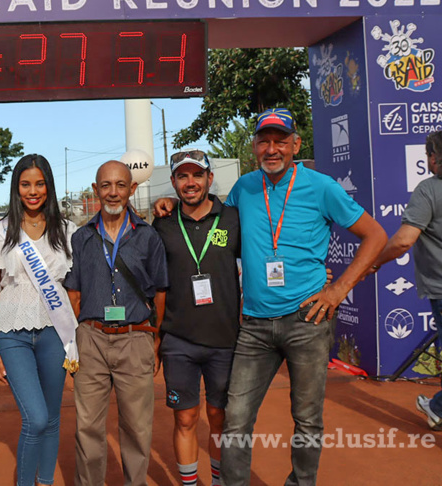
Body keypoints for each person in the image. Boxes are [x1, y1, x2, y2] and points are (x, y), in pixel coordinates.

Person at [154, 107, 387, 485]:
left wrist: (338, 288)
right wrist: (163, 205)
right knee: (235, 417)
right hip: (255, 326)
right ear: (255, 146)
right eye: (265, 141)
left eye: (281, 141)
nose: (272, 149)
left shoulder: (321, 187)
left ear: (296, 144)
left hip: (307, 320)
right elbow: (208, 226)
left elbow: (376, 236)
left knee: (307, 418)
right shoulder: (245, 188)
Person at [0, 154, 78, 486]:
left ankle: (44, 482)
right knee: (34, 418)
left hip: (55, 332)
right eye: (25, 184)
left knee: (51, 419)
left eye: (39, 183)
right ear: (15, 188)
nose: (32, 191)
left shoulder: (68, 231)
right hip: (11, 333)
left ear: (48, 186)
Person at [64, 160, 167, 486]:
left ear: (132, 189)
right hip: (91, 339)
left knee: (137, 427)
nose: (113, 192)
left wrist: (155, 337)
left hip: (135, 337)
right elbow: (73, 294)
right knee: (88, 427)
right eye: (105, 185)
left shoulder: (148, 237)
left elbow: (161, 292)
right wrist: (76, 340)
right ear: (95, 190)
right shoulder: (81, 237)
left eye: (120, 185)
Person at [151, 150, 240, 486]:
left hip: (225, 339)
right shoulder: (162, 223)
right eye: (182, 176)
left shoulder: (232, 218)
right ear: (174, 181)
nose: (190, 183)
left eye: (197, 175)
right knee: (186, 418)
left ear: (210, 179)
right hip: (178, 339)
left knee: (219, 417)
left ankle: (218, 481)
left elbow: (263, 257)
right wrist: (156, 335)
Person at [370, 130, 442, 432]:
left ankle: (441, 407)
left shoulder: (428, 190)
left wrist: (375, 261)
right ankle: (440, 408)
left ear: (435, 156)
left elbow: (403, 241)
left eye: (429, 154)